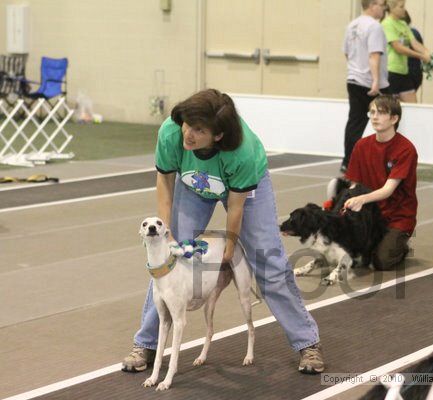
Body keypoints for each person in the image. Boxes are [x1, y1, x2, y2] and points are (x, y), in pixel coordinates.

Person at [122, 89, 325, 374]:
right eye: (187, 125)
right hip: (193, 186)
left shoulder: (242, 153)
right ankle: (146, 342)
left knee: (269, 262)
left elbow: (236, 207)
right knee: (165, 263)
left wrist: (229, 249)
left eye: (198, 130)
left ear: (217, 135)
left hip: (243, 191)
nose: (188, 134)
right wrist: (167, 235)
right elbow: (164, 183)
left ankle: (307, 342)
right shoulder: (171, 133)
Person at [343, 94, 418, 269]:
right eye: (372, 112)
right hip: (370, 214)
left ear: (394, 118)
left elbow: (388, 190)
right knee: (355, 258)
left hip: (397, 216)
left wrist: (361, 199)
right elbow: (354, 184)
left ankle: (401, 245)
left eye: (381, 113)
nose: (375, 117)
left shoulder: (405, 149)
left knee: (381, 262)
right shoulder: (361, 146)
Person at [341, 0, 390, 173]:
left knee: (355, 122)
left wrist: (356, 69)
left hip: (353, 79)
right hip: (370, 82)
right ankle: (386, 161)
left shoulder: (352, 25)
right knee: (389, 119)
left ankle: (348, 162)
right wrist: (375, 81)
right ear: (372, 5)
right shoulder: (374, 26)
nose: (384, 8)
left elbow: (347, 53)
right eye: (382, 4)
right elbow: (374, 55)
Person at [381, 0, 430, 103]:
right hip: (391, 72)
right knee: (390, 108)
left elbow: (414, 43)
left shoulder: (403, 24)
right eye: (401, 7)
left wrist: (428, 53)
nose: (404, 9)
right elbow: (398, 47)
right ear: (392, 8)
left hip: (403, 72)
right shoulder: (387, 24)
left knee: (414, 107)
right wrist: (421, 56)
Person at [401, 10, 424, 92]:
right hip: (414, 73)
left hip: (409, 74)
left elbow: (403, 49)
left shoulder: (407, 34)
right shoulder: (414, 32)